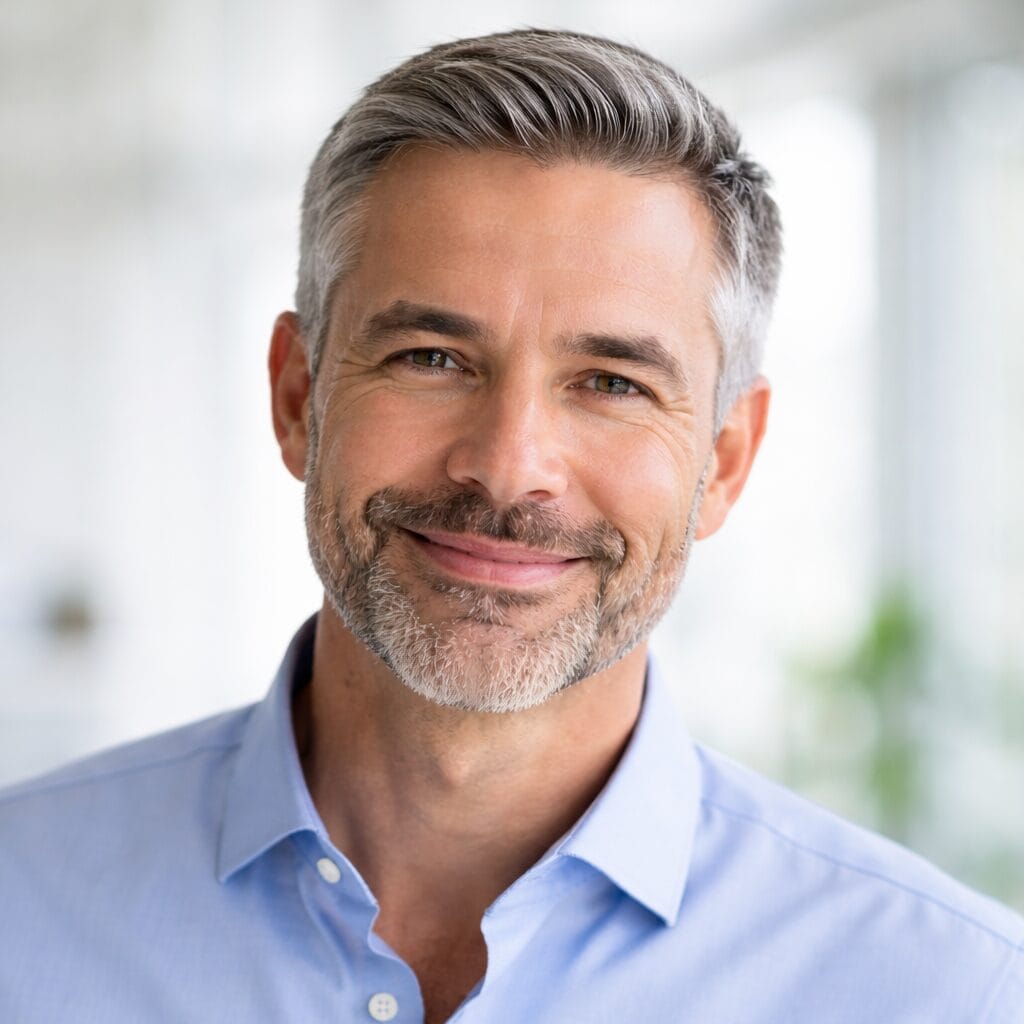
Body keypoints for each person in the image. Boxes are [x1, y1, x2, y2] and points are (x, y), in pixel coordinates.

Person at [1, 28, 1020, 1024]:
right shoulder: (22, 906)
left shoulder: (952, 992)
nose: (508, 463)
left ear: (723, 459)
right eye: (430, 358)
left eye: (611, 382)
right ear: (298, 397)